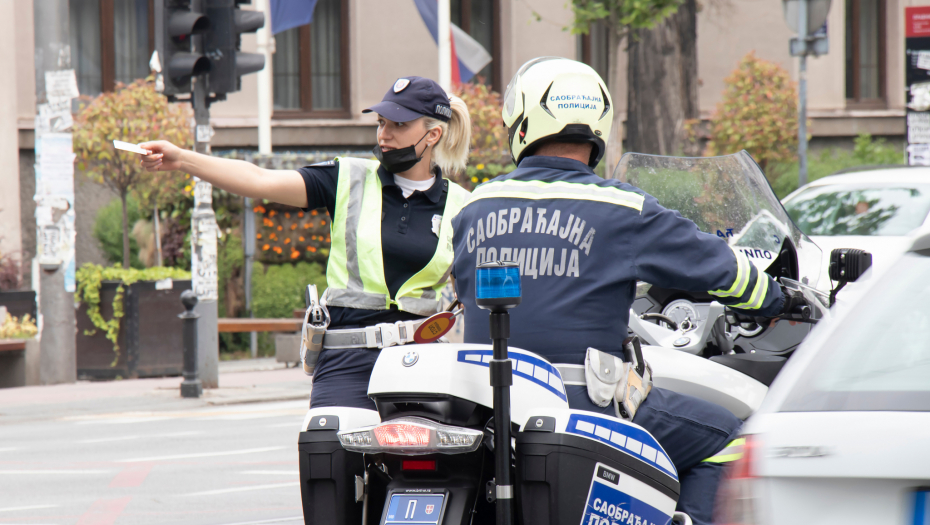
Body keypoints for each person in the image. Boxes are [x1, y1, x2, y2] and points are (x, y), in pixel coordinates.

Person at [450, 57, 789, 525]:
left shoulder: (474, 205)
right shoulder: (623, 207)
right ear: (598, 127)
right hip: (585, 403)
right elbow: (722, 271)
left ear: (522, 123)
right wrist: (778, 299)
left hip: (489, 407)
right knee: (733, 437)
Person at [141, 76, 472, 410]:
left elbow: (473, 302)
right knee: (324, 448)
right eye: (381, 122)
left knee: (436, 454)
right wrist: (182, 159)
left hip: (420, 362)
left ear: (434, 134)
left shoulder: (463, 206)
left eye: (398, 124)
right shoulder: (347, 176)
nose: (384, 134)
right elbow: (259, 180)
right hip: (345, 358)